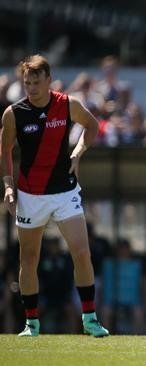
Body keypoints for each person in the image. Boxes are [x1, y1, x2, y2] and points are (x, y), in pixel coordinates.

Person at [0, 55, 109, 337]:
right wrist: (9, 185)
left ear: (49, 80)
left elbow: (93, 126)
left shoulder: (67, 104)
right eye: (27, 83)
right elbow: (5, 151)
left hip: (65, 191)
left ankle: (90, 319)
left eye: (37, 82)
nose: (31, 88)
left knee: (82, 253)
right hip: (30, 194)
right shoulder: (13, 113)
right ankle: (31, 323)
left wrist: (78, 152)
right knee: (29, 258)